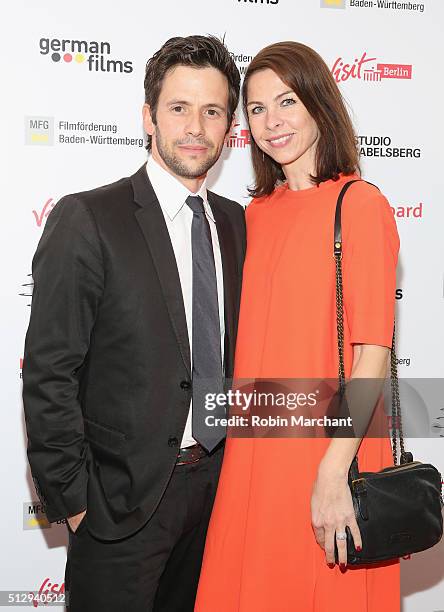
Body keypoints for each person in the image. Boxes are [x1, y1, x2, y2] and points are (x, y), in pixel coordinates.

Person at [22, 35, 245, 612]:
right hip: (119, 506)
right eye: (178, 108)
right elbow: (49, 372)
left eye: (213, 111)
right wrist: (74, 499)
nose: (195, 126)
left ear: (229, 128)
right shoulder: (89, 218)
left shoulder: (238, 223)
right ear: (148, 117)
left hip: (217, 496)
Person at [195, 41, 400, 611]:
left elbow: (373, 353)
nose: (272, 121)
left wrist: (333, 471)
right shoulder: (254, 215)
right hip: (257, 448)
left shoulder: (358, 204)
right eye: (256, 109)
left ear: (317, 102)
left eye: (286, 101)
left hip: (330, 446)